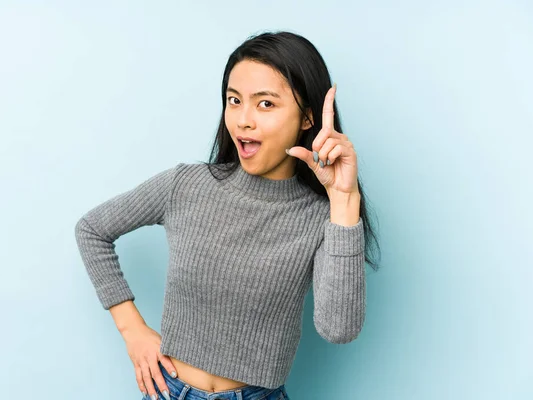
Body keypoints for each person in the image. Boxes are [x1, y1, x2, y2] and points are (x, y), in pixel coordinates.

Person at [75, 30, 381, 400]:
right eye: (234, 101)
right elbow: (92, 229)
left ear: (307, 118)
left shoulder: (323, 217)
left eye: (265, 104)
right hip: (169, 391)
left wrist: (345, 200)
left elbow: (339, 328)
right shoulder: (185, 185)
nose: (243, 120)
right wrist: (132, 330)